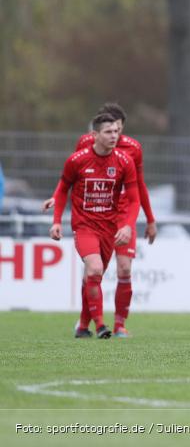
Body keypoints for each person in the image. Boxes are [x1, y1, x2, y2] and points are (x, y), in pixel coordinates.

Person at [43, 103, 157, 338]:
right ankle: (99, 324)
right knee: (94, 269)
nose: (115, 135)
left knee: (119, 269)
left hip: (119, 219)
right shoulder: (82, 151)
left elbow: (138, 190)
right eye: (110, 130)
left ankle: (111, 325)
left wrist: (145, 220)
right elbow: (67, 182)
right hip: (86, 222)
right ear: (95, 134)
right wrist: (56, 212)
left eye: (118, 130)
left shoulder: (130, 153)